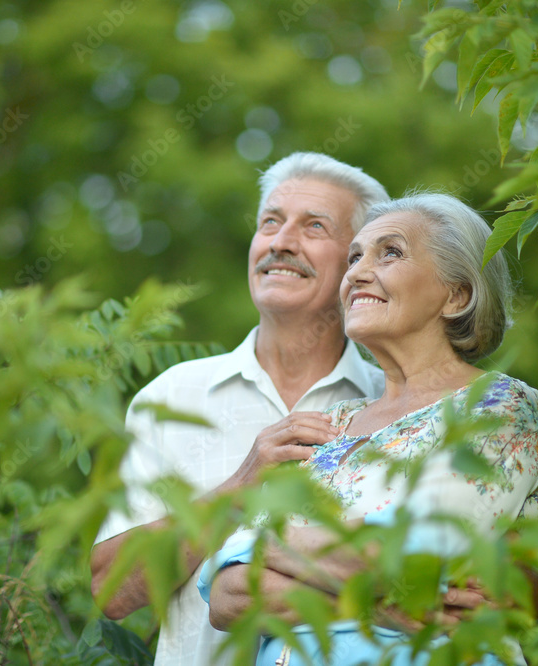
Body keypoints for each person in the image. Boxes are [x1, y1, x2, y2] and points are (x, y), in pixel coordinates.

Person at [199, 192, 538, 665]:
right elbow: (228, 595)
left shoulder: (498, 405)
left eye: (391, 252)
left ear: (456, 294)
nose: (357, 273)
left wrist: (264, 549)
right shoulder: (328, 424)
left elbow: (419, 558)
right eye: (354, 257)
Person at [90, 152, 391, 666]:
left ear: (357, 262)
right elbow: (112, 591)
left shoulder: (398, 405)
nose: (280, 242)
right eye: (270, 222)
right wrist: (241, 484)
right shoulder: (172, 397)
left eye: (313, 226)